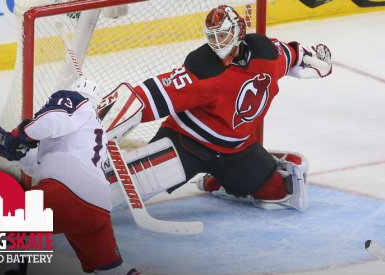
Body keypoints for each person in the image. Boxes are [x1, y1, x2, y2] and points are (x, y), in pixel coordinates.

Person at [125, 5, 332, 211]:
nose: (217, 43)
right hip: (187, 143)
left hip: (236, 151)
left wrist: (315, 58)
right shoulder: (202, 66)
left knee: (280, 192)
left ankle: (220, 181)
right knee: (125, 188)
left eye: (222, 35)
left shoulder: (267, 54)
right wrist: (110, 117)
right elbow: (151, 96)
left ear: (238, 31)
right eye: (212, 37)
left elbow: (293, 54)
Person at [0, 77, 141, 275]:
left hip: (67, 193)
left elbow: (53, 119)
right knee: (113, 270)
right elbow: (43, 167)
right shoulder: (94, 135)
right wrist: (6, 147)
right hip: (96, 210)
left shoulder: (74, 100)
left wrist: (18, 135)